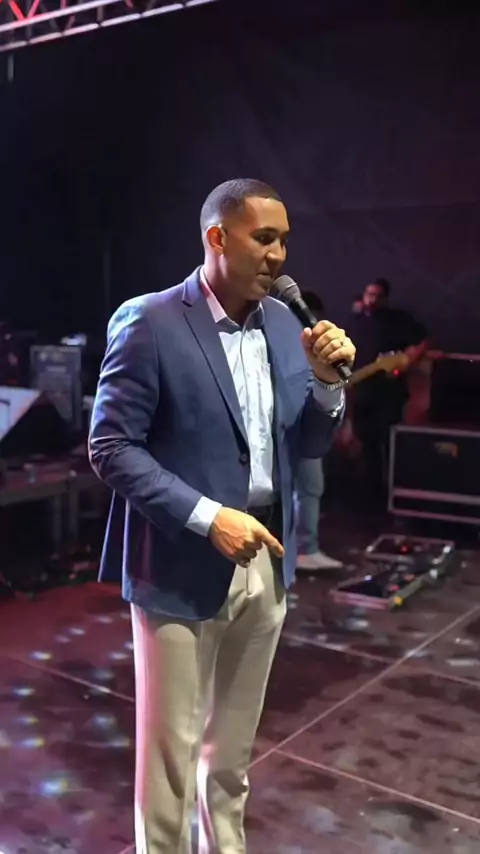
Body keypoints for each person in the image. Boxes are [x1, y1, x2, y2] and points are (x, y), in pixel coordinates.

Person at [89, 178, 356, 854]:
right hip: (180, 562)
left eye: (284, 240)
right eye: (263, 238)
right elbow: (110, 447)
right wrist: (210, 517)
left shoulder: (285, 325)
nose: (278, 255)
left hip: (267, 559)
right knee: (172, 762)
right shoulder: (151, 321)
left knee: (231, 756)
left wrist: (328, 384)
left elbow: (306, 444)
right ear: (217, 237)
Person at [351, 278, 427, 505]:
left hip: (388, 393)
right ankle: (370, 494)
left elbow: (426, 340)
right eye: (369, 294)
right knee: (366, 443)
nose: (372, 300)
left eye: (377, 296)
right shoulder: (355, 321)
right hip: (362, 391)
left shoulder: (398, 320)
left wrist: (410, 358)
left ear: (385, 298)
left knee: (389, 444)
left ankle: (392, 494)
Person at [295, 291, 343, 571]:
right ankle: (305, 549)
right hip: (300, 427)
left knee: (303, 490)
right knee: (309, 489)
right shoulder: (302, 344)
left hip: (297, 427)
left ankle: (301, 549)